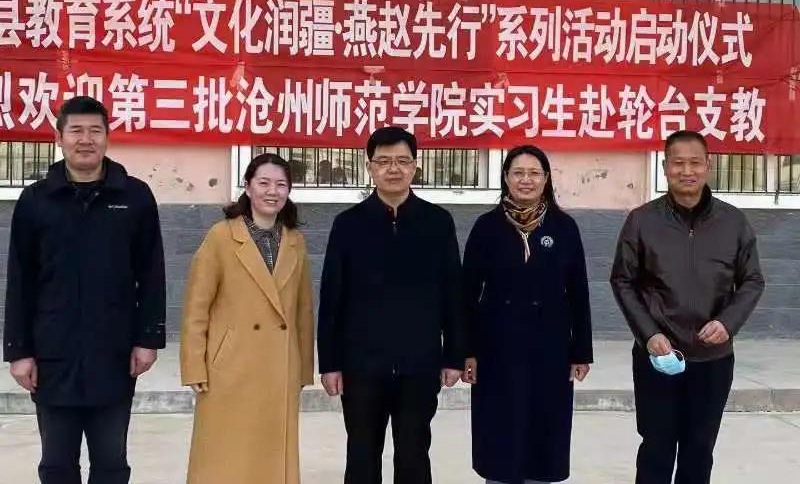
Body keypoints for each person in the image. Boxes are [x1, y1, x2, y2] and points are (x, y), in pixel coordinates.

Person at [3, 96, 166, 484]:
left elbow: (152, 274)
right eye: (76, 130)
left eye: (95, 131)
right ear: (59, 138)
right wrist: (18, 351)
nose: (86, 139)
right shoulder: (36, 200)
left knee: (111, 462)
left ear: (107, 137)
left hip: (114, 351)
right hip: (53, 353)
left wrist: (148, 339)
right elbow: (21, 280)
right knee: (57, 463)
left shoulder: (134, 197)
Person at [610, 130, 765, 484]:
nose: (687, 171)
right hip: (658, 357)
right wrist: (649, 334)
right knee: (656, 447)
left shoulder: (733, 222)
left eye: (695, 162)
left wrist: (728, 323)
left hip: (713, 359)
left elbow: (753, 280)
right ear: (665, 167)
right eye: (678, 163)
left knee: (699, 449)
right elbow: (622, 280)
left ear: (709, 165)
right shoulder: (642, 221)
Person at [317, 126, 466, 484]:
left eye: (402, 160)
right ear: (369, 167)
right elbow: (332, 298)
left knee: (414, 455)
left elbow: (453, 294)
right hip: (361, 366)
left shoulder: (437, 222)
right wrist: (330, 363)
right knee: (362, 455)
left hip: (420, 364)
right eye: (383, 161)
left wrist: (454, 356)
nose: (393, 169)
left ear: (415, 166)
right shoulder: (348, 225)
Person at [180, 152, 314, 484]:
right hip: (229, 367)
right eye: (264, 183)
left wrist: (302, 369)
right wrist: (194, 364)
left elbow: (303, 311)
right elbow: (196, 307)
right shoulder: (221, 236)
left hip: (280, 367)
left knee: (271, 459)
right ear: (248, 187)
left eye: (281, 185)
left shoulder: (295, 241)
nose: (273, 191)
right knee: (224, 458)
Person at [462, 145, 593, 484]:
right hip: (496, 348)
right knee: (500, 434)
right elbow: (467, 294)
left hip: (550, 347)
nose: (526, 180)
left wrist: (581, 351)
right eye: (518, 173)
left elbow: (578, 292)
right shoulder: (487, 227)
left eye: (534, 173)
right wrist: (467, 350)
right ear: (505, 178)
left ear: (546, 179)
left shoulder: (564, 227)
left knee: (543, 434)